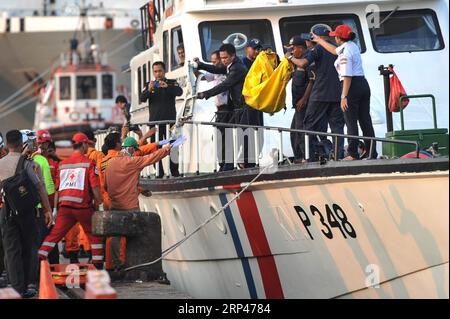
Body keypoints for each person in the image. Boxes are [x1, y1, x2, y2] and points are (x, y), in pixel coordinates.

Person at [37, 132, 105, 270]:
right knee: (94, 235)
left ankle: (38, 259)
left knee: (54, 236)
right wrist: (101, 203)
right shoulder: (89, 163)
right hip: (82, 207)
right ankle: (98, 267)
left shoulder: (63, 164)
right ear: (85, 144)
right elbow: (95, 186)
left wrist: (55, 209)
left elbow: (57, 189)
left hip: (65, 207)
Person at [312, 24, 377, 160]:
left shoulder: (345, 53)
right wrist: (320, 41)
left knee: (350, 121)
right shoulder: (352, 46)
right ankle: (372, 152)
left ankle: (353, 153)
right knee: (365, 120)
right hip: (363, 85)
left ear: (338, 38)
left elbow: (347, 75)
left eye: (335, 36)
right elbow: (335, 51)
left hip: (351, 86)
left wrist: (344, 96)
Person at [105, 137, 170, 271]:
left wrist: (138, 189)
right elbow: (151, 158)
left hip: (114, 206)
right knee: (135, 236)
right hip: (129, 207)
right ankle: (133, 267)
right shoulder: (132, 162)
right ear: (130, 149)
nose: (135, 153)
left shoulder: (110, 163)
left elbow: (107, 185)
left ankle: (117, 266)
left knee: (116, 237)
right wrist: (167, 149)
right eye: (134, 151)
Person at [0, 130, 52, 298]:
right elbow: (40, 187)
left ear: (7, 144)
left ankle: (16, 287)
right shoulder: (28, 163)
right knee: (29, 246)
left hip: (6, 211)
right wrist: (47, 209)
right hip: (27, 211)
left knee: (11, 249)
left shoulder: (0, 164)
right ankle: (29, 285)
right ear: (21, 143)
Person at [287, 25, 345, 161]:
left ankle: (310, 157)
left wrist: (289, 57)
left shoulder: (318, 48)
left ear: (316, 38)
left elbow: (302, 64)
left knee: (307, 125)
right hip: (338, 94)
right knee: (337, 128)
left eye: (310, 39)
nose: (308, 42)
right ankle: (338, 156)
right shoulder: (338, 49)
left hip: (320, 94)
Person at [195, 43, 248, 171]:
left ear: (233, 56)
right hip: (236, 106)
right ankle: (227, 164)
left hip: (241, 106)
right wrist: (201, 64)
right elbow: (217, 69)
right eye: (222, 58)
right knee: (224, 134)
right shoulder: (231, 65)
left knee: (239, 135)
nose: (223, 61)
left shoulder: (237, 68)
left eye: (225, 58)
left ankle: (240, 164)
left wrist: (205, 94)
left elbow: (224, 85)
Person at [140, 61, 182, 178]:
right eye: (155, 71)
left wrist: (167, 86)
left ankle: (175, 172)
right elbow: (142, 98)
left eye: (160, 71)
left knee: (174, 147)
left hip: (170, 122)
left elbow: (180, 92)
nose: (158, 74)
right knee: (155, 149)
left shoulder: (172, 83)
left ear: (164, 71)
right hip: (155, 124)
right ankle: (159, 173)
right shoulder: (149, 84)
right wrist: (149, 90)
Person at [285, 36, 316, 162]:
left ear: (300, 48)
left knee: (302, 130)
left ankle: (307, 158)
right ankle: (299, 157)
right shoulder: (296, 59)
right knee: (294, 131)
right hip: (298, 104)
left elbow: (312, 81)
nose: (291, 51)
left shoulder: (308, 60)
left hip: (305, 103)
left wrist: (304, 99)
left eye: (293, 48)